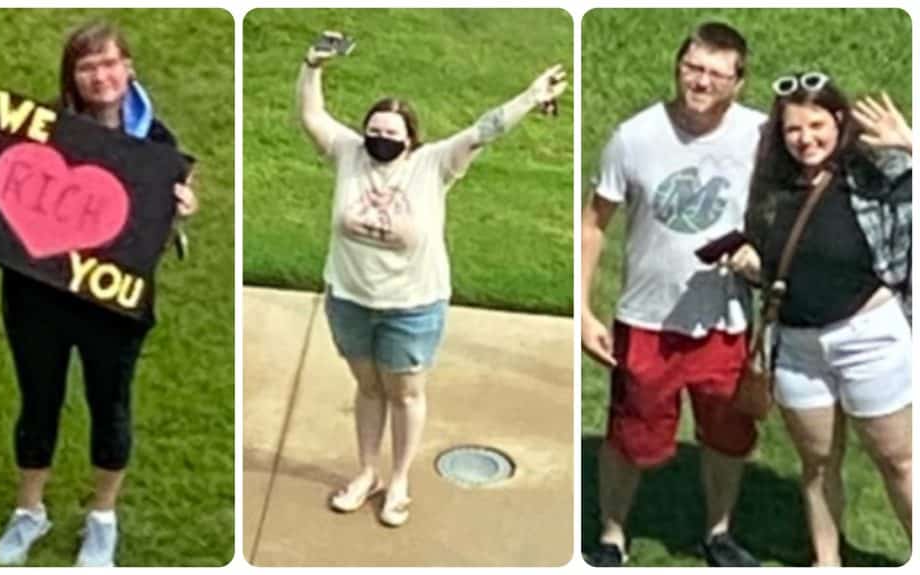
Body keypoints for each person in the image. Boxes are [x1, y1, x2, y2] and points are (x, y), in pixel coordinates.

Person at [296, 31, 566, 527]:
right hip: (350, 299)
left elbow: (485, 129)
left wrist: (531, 96)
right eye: (374, 129)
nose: (381, 138)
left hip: (412, 306)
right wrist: (311, 66)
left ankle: (398, 481)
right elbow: (312, 116)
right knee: (368, 387)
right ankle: (366, 473)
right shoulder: (349, 153)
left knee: (404, 392)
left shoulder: (435, 163)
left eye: (392, 132)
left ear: (410, 139)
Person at [0, 22, 198, 567]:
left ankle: (102, 518)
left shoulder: (157, 144)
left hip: (112, 305)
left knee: (110, 407)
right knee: (38, 402)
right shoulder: (35, 130)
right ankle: (30, 512)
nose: (101, 76)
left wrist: (179, 209)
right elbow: (1, 198)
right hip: (36, 295)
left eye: (109, 63)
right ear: (72, 76)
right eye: (87, 66)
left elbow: (147, 234)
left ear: (129, 67)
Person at [580, 22, 766, 567]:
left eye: (716, 73)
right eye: (693, 68)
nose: (701, 82)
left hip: (726, 321)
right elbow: (594, 225)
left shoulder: (761, 136)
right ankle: (613, 535)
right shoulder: (635, 136)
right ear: (678, 66)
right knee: (628, 435)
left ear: (738, 81)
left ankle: (718, 532)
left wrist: (760, 256)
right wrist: (584, 308)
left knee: (727, 434)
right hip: (647, 320)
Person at [727, 74, 911, 566]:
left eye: (816, 125)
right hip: (797, 348)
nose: (806, 138)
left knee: (898, 461)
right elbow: (772, 262)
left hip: (869, 338)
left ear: (839, 121)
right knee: (817, 464)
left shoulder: (872, 172)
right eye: (793, 130)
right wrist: (751, 265)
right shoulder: (769, 187)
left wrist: (911, 146)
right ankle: (825, 562)